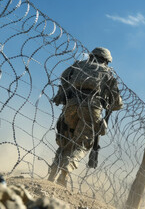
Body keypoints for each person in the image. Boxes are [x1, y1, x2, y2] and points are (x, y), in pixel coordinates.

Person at [48, 47, 123, 187]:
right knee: (83, 143)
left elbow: (64, 78)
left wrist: (64, 94)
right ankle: (65, 172)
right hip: (91, 108)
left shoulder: (78, 65)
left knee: (66, 139)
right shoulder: (108, 73)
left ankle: (53, 172)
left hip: (72, 104)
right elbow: (117, 103)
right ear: (106, 61)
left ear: (91, 56)